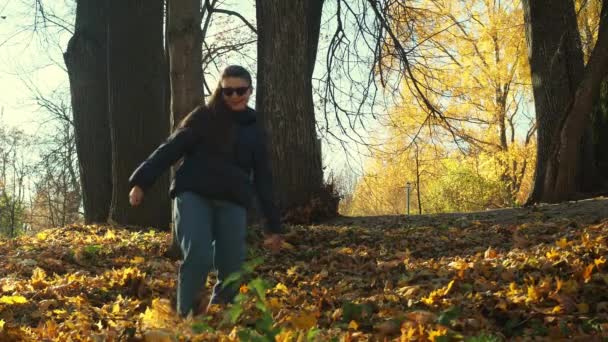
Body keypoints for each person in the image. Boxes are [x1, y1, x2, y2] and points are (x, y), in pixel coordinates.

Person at [127, 65, 284, 317]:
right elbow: (170, 148)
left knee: (232, 265)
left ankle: (220, 318)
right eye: (227, 91)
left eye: (240, 91)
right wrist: (141, 181)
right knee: (199, 255)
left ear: (250, 90)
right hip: (193, 195)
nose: (234, 96)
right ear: (220, 91)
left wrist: (273, 227)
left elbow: (264, 178)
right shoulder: (204, 117)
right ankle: (186, 319)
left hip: (233, 200)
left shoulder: (255, 128)